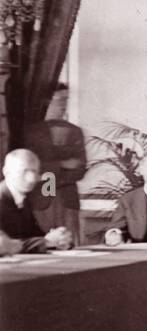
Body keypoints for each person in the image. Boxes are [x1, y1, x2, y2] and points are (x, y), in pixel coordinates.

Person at [24, 85, 86, 245]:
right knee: (43, 245)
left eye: (67, 99)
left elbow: (80, 168)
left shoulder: (75, 131)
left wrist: (50, 173)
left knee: (71, 245)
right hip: (41, 199)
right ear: (46, 101)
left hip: (67, 200)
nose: (64, 103)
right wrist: (62, 164)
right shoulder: (31, 132)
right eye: (60, 99)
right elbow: (31, 166)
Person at [0, 149, 74, 252]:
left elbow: (35, 236)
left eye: (34, 171)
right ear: (6, 172)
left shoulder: (23, 200)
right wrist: (48, 242)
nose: (31, 178)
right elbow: (4, 245)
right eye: (24, 171)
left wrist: (60, 238)